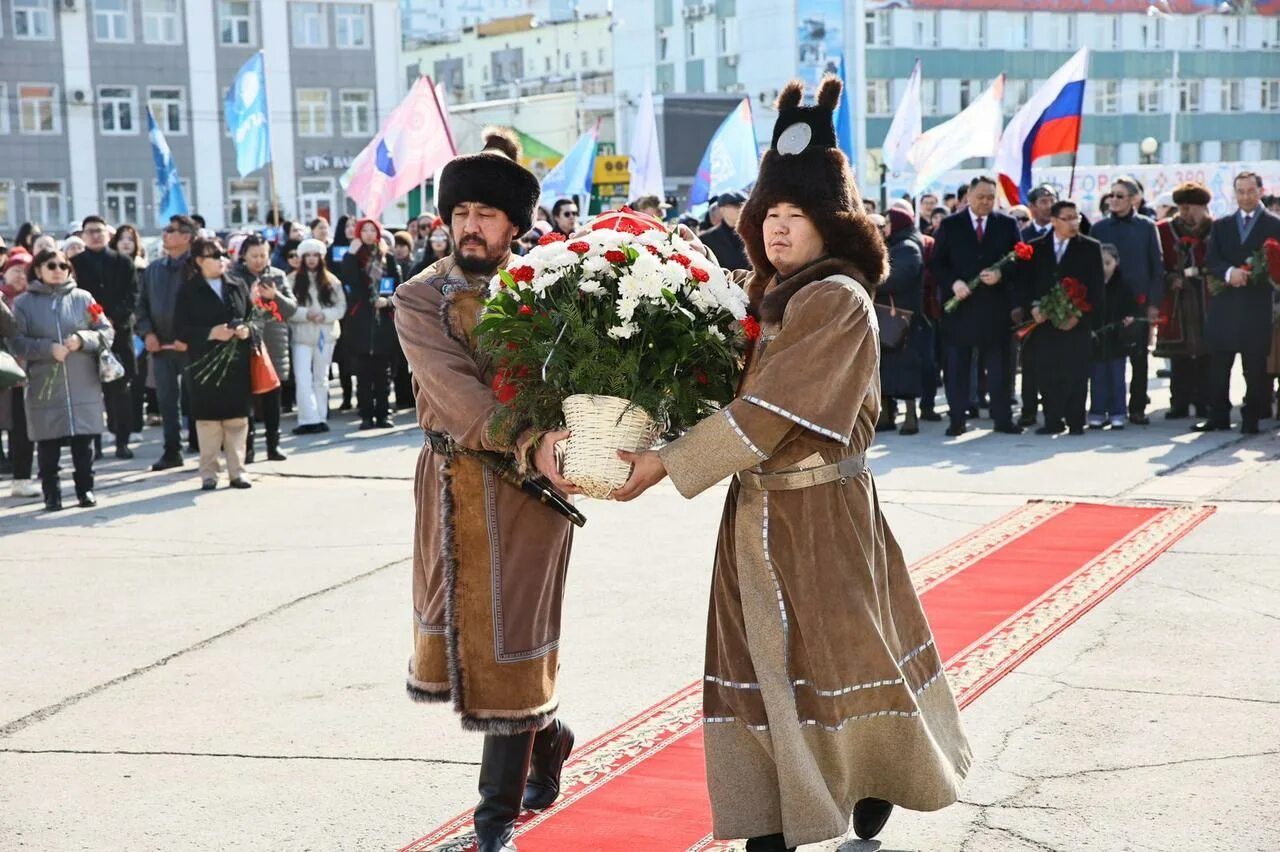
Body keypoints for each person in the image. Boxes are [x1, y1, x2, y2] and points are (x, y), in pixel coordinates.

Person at [613, 77, 970, 852]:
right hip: (754, 512)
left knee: (841, 651)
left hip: (822, 516)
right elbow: (716, 382)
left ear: (830, 224)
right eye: (768, 215)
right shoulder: (767, 293)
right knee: (756, 660)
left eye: (795, 216)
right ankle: (771, 817)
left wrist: (665, 466)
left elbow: (770, 413)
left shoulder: (835, 298)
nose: (777, 229)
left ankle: (876, 775)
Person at [392, 128, 578, 852]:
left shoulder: (557, 288)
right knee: (462, 641)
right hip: (449, 481)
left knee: (511, 639)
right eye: (461, 211)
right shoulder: (418, 298)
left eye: (487, 214)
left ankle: (492, 818)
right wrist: (529, 437)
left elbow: (579, 380)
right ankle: (550, 733)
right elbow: (455, 396)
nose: (471, 225)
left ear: (514, 225)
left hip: (537, 487)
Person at [10, 249, 114, 510]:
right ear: (38, 270)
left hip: (82, 381)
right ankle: (52, 495)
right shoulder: (23, 303)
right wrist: (47, 349)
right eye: (51, 265)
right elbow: (16, 341)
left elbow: (105, 330)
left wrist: (82, 340)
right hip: (45, 383)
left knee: (83, 444)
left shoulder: (83, 298)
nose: (58, 270)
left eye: (63, 265)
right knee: (48, 444)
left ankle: (85, 490)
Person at [930, 175, 1023, 436]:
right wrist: (954, 283)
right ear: (968, 197)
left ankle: (1003, 418)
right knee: (957, 366)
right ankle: (957, 418)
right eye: (981, 197)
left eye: (990, 198)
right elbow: (937, 262)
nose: (985, 202)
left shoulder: (1006, 223)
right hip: (962, 307)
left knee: (1000, 367)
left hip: (995, 308)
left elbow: (1017, 259)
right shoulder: (951, 225)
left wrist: (1001, 274)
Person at [1196, 171, 1280, 434]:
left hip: (1257, 304)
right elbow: (1211, 260)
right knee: (1219, 364)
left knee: (1254, 366)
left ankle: (1251, 417)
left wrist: (1260, 273)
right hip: (1225, 303)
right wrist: (1229, 272)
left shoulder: (1274, 224)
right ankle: (1217, 415)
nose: (1245, 196)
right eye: (1240, 191)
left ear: (1260, 191)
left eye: (1250, 191)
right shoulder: (1221, 226)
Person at [1017, 201, 1104, 436]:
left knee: (1076, 371)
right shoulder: (1036, 247)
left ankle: (1076, 420)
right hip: (1045, 322)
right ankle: (1053, 419)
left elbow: (1096, 287)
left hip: (1076, 322)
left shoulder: (1090, 247)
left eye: (1076, 218)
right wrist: (1033, 307)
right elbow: (1024, 283)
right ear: (1054, 221)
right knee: (1047, 371)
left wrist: (1078, 313)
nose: (1074, 223)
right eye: (1068, 218)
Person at [174, 238, 254, 490]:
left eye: (222, 254)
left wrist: (246, 330)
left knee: (237, 420)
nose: (220, 259)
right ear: (199, 261)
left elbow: (253, 318)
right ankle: (209, 472)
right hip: (204, 362)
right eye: (213, 255)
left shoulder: (237, 284)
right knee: (208, 422)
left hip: (236, 361)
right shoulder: (188, 290)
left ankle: (237, 471)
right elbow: (180, 330)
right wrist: (211, 332)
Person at [1090, 177, 1164, 425]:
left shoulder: (1146, 226)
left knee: (1139, 357)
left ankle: (1137, 407)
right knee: (1105, 356)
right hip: (1107, 303)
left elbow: (1157, 267)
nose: (1114, 200)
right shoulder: (1100, 229)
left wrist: (1153, 302)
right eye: (1111, 195)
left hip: (1138, 303)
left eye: (1120, 195)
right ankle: (1105, 407)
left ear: (1134, 199)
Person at [71, 215, 139, 460]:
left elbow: (132, 295)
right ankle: (94, 445)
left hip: (119, 334)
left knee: (120, 392)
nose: (96, 235)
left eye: (99, 230)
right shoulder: (74, 263)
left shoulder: (123, 262)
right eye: (90, 231)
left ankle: (122, 441)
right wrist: (93, 322)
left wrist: (112, 319)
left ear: (108, 234)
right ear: (83, 235)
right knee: (91, 393)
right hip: (88, 336)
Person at [137, 214, 197, 471]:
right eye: (165, 229)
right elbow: (141, 307)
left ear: (186, 237)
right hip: (161, 347)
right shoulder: (154, 269)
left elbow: (204, 308)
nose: (165, 234)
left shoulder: (197, 268)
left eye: (171, 230)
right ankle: (172, 450)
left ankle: (203, 446)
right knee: (166, 401)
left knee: (197, 398)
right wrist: (147, 333)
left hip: (191, 347)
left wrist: (189, 337)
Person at [234, 235, 296, 463]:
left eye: (263, 255)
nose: (259, 260)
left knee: (272, 399)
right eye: (254, 256)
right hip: (247, 344)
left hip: (274, 344)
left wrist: (275, 296)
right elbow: (233, 310)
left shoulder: (277, 276)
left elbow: (291, 309)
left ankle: (273, 445)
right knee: (247, 400)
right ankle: (247, 448)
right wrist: (250, 299)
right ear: (244, 256)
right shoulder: (235, 277)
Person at [1155, 182, 1214, 420]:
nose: (1186, 213)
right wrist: (1170, 278)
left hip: (1206, 298)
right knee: (1179, 357)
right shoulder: (1163, 230)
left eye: (1191, 208)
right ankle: (1179, 402)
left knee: (1207, 354)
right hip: (1177, 300)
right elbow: (1156, 264)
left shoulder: (1216, 229)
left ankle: (1205, 402)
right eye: (1182, 208)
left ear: (1203, 207)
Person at [339, 218, 402, 429]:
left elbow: (399, 287)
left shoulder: (387, 257)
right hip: (361, 320)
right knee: (363, 374)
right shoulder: (354, 257)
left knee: (383, 374)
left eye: (372, 230)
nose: (368, 234)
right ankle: (366, 415)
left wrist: (388, 301)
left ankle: (383, 414)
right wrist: (350, 254)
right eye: (363, 230)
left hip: (383, 320)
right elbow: (349, 280)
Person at [288, 239, 345, 435]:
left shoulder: (332, 280)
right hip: (302, 336)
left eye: (315, 255)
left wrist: (325, 315)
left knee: (321, 378)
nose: (312, 259)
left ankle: (320, 416)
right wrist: (305, 314)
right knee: (303, 377)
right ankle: (307, 418)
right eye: (308, 256)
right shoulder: (292, 280)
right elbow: (287, 309)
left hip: (325, 335)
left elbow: (340, 307)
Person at [876, 208, 925, 435]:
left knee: (906, 370)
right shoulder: (896, 244)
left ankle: (911, 417)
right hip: (889, 318)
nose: (884, 227)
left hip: (904, 320)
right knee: (885, 368)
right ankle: (886, 415)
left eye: (887, 223)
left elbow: (899, 278)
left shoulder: (908, 247)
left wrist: (872, 278)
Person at [1090, 245, 1140, 429]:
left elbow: (1133, 308)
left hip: (1116, 339)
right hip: (1096, 338)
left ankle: (1118, 412)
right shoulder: (1092, 285)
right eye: (1100, 263)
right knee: (1097, 377)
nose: (1104, 267)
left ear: (1116, 262)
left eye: (1108, 263)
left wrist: (1129, 319)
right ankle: (1097, 411)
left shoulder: (1124, 285)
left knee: (1117, 376)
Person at [1, 249, 38, 498]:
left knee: (23, 427)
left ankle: (22, 478)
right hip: (3, 370)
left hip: (28, 372)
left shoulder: (36, 300)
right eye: (15, 270)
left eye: (25, 272)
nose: (20, 276)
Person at [699, 191, 750, 271]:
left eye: (744, 205)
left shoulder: (758, 233)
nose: (741, 209)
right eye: (736, 206)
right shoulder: (707, 239)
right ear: (722, 210)